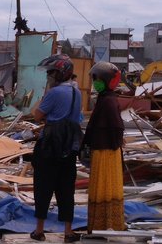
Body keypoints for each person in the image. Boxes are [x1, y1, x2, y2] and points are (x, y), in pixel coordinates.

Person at [30, 54, 82, 243]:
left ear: (60, 74)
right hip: (69, 147)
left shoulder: (54, 93)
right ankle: (68, 232)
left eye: (51, 73)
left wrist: (45, 96)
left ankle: (39, 231)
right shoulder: (78, 92)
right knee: (66, 189)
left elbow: (37, 115)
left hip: (49, 146)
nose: (48, 77)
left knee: (43, 188)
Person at [82, 61, 126, 232]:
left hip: (107, 152)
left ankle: (106, 224)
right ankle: (100, 224)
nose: (95, 83)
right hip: (102, 151)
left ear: (106, 80)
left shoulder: (108, 101)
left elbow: (117, 127)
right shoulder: (104, 99)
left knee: (105, 188)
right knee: (100, 188)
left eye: (97, 79)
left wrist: (110, 145)